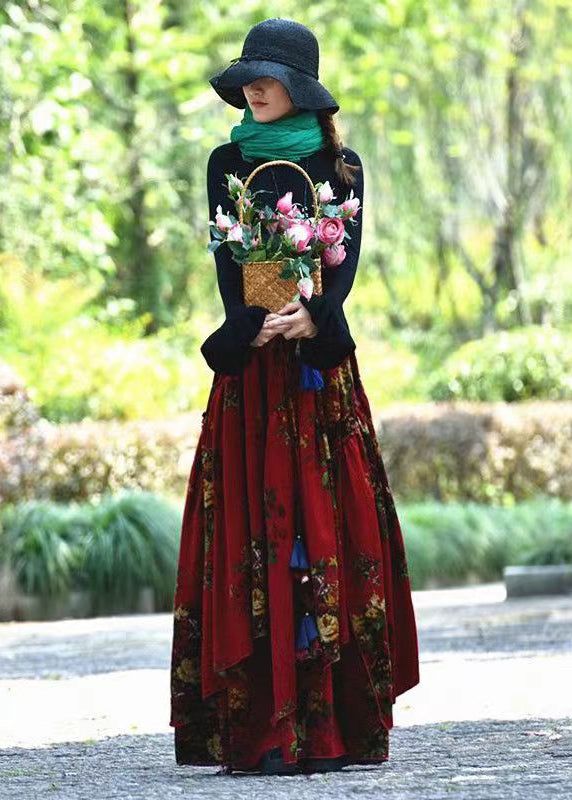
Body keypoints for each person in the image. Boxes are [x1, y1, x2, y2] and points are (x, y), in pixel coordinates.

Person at [169, 17, 420, 776]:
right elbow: (226, 253)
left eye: (269, 76)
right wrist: (253, 321)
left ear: (300, 87)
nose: (255, 86)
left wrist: (314, 313)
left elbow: (347, 264)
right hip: (252, 368)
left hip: (317, 370)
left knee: (328, 518)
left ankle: (334, 721)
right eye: (249, 75)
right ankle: (258, 725)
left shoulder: (345, 167)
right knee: (249, 526)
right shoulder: (225, 162)